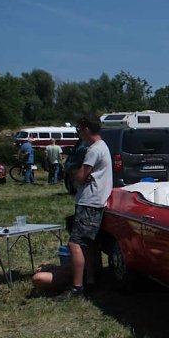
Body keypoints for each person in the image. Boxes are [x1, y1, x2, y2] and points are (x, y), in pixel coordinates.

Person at [57, 115, 112, 300]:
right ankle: (91, 280)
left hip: (89, 201)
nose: (78, 133)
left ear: (87, 129)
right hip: (94, 201)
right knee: (88, 244)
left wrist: (75, 175)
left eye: (78, 129)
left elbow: (80, 177)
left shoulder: (93, 150)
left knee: (75, 243)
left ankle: (77, 287)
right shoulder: (102, 147)